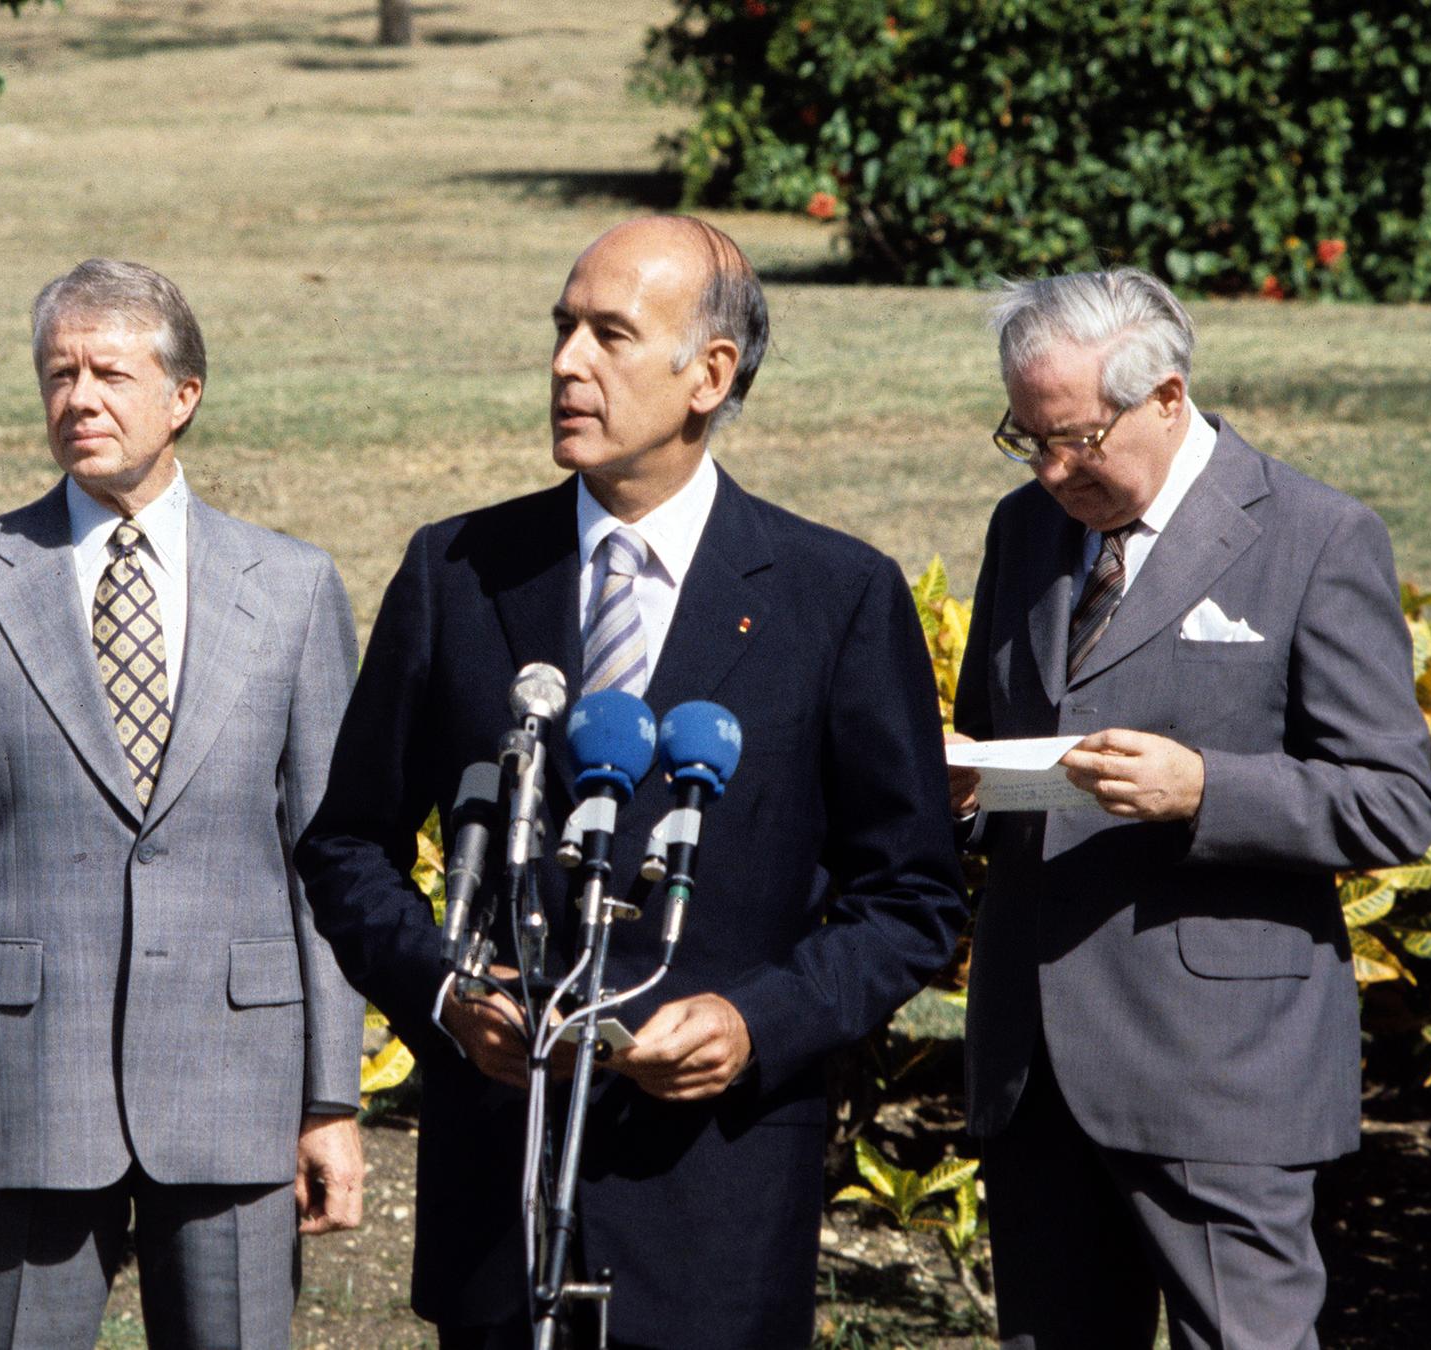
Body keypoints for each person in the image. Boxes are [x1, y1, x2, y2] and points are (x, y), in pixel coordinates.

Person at [295, 216, 969, 1347]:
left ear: (709, 374)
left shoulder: (834, 597)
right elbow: (347, 845)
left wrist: (757, 1023)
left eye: (610, 334)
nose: (567, 363)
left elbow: (909, 896)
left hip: (717, 1211)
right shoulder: (456, 572)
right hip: (497, 1222)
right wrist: (448, 998)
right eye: (563, 330)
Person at [0, 258, 367, 1349]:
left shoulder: (292, 587)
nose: (79, 398)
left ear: (183, 396)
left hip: (236, 1080)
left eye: (110, 374)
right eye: (58, 374)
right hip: (23, 1083)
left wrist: (332, 1099)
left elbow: (329, 866)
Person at [949, 268, 1431, 1348]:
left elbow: (1397, 802)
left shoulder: (1316, 538)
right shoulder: (1025, 530)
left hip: (1221, 1075)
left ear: (1166, 397)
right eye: (1023, 436)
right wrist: (963, 786)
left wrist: (1204, 791)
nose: (1049, 467)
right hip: (1034, 1071)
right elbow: (987, 734)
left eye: (1074, 437)